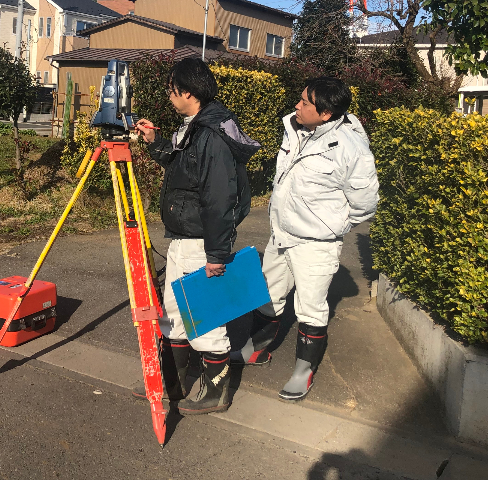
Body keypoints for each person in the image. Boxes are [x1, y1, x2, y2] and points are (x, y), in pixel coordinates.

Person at [230, 77, 379, 401]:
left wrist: (330, 226)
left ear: (325, 113)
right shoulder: (297, 129)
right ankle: (257, 349)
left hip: (316, 244)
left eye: (305, 103)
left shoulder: (351, 149)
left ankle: (303, 371)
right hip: (281, 235)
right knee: (268, 294)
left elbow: (365, 204)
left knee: (310, 308)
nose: (297, 106)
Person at [134, 58, 260, 415]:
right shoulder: (196, 127)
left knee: (203, 320)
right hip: (183, 238)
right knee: (172, 315)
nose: (169, 96)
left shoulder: (211, 135)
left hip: (200, 241)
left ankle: (216, 391)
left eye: (172, 90)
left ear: (187, 92)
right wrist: (155, 141)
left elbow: (218, 198)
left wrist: (217, 254)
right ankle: (171, 382)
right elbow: (182, 170)